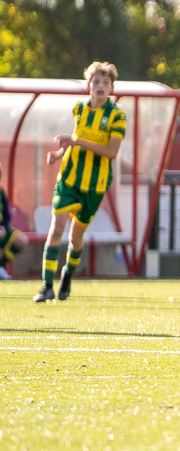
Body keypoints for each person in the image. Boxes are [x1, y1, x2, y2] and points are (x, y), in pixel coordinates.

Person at [34, 62, 127, 302]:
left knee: (76, 238)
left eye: (105, 83)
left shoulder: (117, 115)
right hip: (69, 180)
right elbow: (76, 138)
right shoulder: (80, 109)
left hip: (94, 187)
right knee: (56, 230)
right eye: (96, 82)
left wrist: (77, 143)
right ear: (89, 85)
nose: (100, 87)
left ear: (111, 88)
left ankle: (67, 275)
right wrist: (60, 153)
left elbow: (111, 152)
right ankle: (46, 286)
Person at [0, 162, 30, 280]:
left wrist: (4, 228)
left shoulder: (1, 192)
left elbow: (7, 215)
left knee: (22, 240)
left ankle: (1, 265)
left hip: (1, 229)